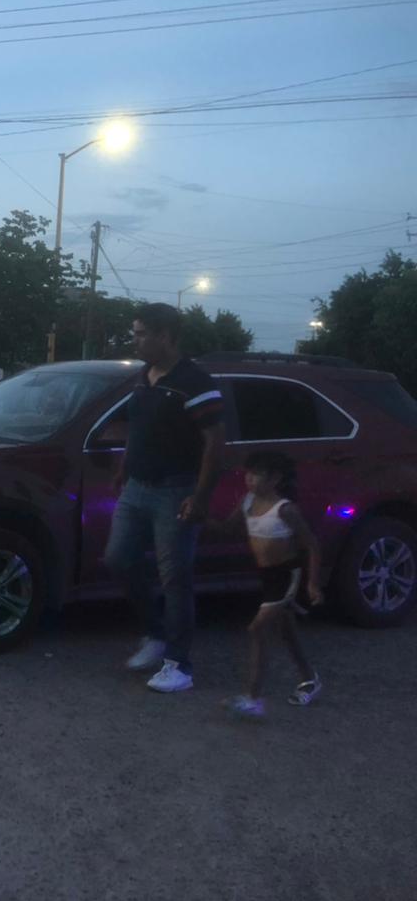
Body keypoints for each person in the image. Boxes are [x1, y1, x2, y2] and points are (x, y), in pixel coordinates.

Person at [104, 303, 226, 693]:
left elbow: (214, 442)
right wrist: (124, 466)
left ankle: (179, 664)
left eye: (141, 334)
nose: (135, 340)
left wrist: (200, 496)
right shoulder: (145, 377)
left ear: (166, 336)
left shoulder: (195, 381)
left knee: (175, 578)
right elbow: (138, 428)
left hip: (176, 490)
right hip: (137, 487)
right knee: (118, 558)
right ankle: (154, 634)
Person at [217, 452, 323, 718]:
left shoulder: (285, 510)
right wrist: (197, 516)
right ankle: (309, 679)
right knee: (287, 632)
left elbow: (312, 545)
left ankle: (253, 698)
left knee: (257, 629)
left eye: (257, 474)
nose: (250, 479)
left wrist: (312, 583)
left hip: (286, 577)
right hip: (266, 577)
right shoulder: (247, 501)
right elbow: (227, 528)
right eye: (248, 473)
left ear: (275, 479)